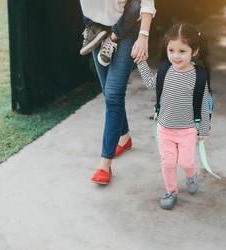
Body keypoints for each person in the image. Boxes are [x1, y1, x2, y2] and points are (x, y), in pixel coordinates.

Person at [78, 0, 156, 185]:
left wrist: (143, 36)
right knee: (108, 91)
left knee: (113, 94)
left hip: (129, 26)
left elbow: (143, 2)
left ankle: (105, 163)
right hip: (96, 26)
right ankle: (124, 137)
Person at [137, 22, 211, 210]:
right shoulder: (164, 70)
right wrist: (140, 62)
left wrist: (203, 129)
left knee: (186, 162)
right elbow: (151, 83)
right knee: (168, 162)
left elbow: (203, 105)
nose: (175, 56)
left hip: (187, 130)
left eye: (182, 51)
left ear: (194, 51)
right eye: (171, 50)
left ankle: (191, 175)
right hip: (165, 128)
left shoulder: (199, 76)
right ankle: (171, 191)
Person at [80, 0, 156, 67]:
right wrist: (89, 22)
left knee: (114, 83)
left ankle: (112, 38)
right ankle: (93, 27)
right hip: (96, 22)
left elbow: (146, 2)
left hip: (125, 20)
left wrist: (143, 35)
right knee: (105, 81)